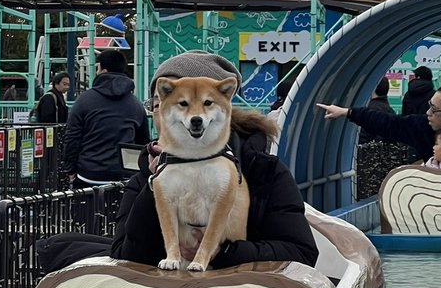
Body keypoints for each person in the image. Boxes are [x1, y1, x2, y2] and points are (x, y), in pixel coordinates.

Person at [111, 52, 318, 270]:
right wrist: (154, 185)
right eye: (159, 103)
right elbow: (124, 255)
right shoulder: (145, 176)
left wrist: (222, 252)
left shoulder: (264, 172)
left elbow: (301, 253)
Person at [316, 84, 441, 168]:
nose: (428, 113)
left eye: (434, 110)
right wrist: (347, 112)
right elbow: (388, 123)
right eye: (429, 106)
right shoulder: (422, 126)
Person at [60, 48, 149, 184]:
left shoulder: (84, 100)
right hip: (123, 176)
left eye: (97, 68)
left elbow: (72, 138)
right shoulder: (135, 104)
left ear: (103, 70)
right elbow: (143, 142)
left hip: (88, 174)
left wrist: (70, 170)